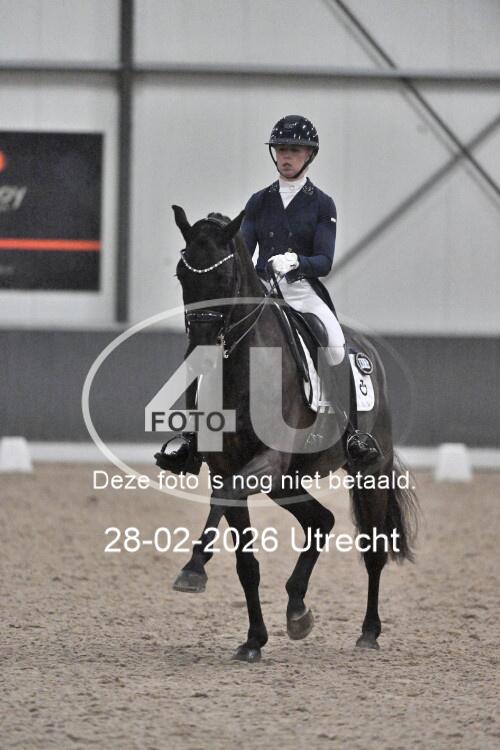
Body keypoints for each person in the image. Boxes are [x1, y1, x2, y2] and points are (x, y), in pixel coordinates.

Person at [155, 115, 379, 474]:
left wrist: (297, 261)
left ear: (309, 156)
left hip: (302, 290)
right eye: (281, 150)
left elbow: (324, 261)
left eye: (295, 151)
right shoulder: (259, 201)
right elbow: (244, 251)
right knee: (204, 350)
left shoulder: (322, 204)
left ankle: (351, 434)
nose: (286, 157)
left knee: (335, 344)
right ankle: (193, 438)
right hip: (263, 290)